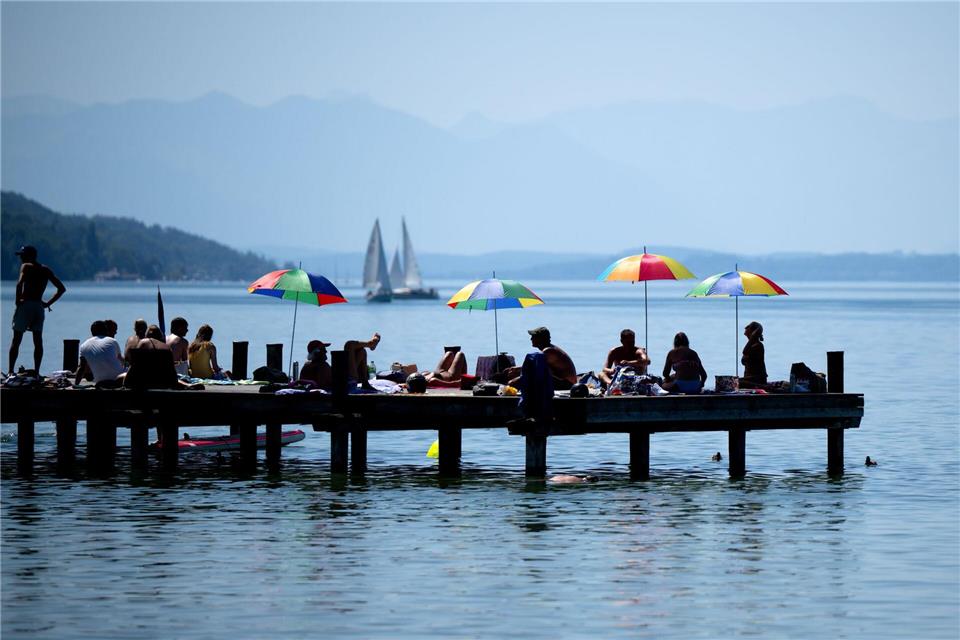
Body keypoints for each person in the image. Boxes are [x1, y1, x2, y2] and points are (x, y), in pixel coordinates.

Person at [8, 245, 66, 375]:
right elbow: (61, 289)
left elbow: (19, 283)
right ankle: (37, 372)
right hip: (38, 308)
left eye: (22, 255)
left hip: (26, 305)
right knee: (38, 341)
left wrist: (18, 301)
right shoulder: (45, 269)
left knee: (16, 339)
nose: (21, 258)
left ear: (29, 255)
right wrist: (47, 303)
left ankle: (11, 371)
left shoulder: (26, 266)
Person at [509, 326, 577, 391]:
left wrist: (513, 380)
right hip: (563, 382)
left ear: (541, 338)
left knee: (531, 375)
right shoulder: (550, 348)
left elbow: (532, 368)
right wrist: (517, 369)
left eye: (533, 337)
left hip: (567, 385)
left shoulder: (549, 351)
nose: (531, 339)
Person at [75, 320, 126, 386]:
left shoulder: (83, 346)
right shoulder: (112, 341)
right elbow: (123, 361)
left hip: (100, 382)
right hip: (118, 379)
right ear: (105, 330)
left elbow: (81, 368)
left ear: (92, 332)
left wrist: (76, 385)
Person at [740, 321, 768, 388]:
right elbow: (744, 360)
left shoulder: (758, 346)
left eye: (748, 326)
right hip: (750, 379)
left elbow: (745, 352)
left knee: (736, 382)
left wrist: (753, 336)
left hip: (757, 380)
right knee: (734, 381)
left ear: (753, 331)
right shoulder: (751, 345)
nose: (745, 328)